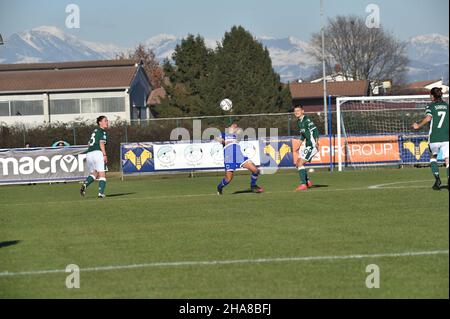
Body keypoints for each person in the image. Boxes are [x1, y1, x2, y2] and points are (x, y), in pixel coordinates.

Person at [412, 87, 449, 190]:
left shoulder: (431, 106)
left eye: (430, 95)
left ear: (433, 96)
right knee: (448, 159)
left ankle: (437, 180)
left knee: (433, 157)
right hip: (447, 137)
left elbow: (428, 118)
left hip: (435, 137)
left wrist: (418, 126)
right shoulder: (447, 106)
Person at [216, 123, 264, 195]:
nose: (235, 128)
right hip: (230, 158)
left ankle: (253, 185)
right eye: (233, 126)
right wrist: (221, 140)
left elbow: (240, 132)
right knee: (228, 179)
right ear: (229, 128)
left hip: (240, 157)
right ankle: (219, 188)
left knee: (255, 170)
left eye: (236, 127)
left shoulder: (236, 136)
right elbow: (217, 138)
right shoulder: (224, 134)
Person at [80, 116, 109, 198]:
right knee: (102, 174)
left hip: (89, 154)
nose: (107, 122)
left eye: (107, 121)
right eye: (105, 121)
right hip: (98, 153)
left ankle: (85, 185)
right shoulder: (102, 131)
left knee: (94, 173)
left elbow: (89, 143)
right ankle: (100, 193)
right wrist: (104, 155)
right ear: (100, 122)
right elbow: (101, 143)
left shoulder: (94, 131)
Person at [293, 105, 319, 191]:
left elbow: (315, 131)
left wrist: (317, 142)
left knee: (300, 164)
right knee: (297, 164)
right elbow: (303, 136)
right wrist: (298, 146)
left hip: (312, 145)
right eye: (295, 111)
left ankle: (303, 184)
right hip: (307, 145)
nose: (296, 112)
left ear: (302, 111)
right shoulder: (299, 122)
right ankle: (307, 181)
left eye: (298, 110)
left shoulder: (307, 120)